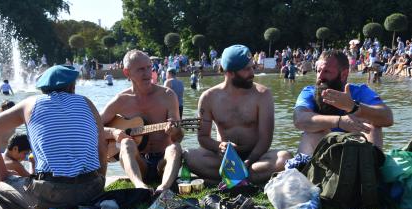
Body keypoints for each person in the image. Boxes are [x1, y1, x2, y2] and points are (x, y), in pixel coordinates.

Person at [0, 65, 107, 209]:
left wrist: (3, 174)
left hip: (52, 193)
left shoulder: (30, 103)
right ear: (72, 86)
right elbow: (102, 146)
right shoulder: (87, 103)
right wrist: (100, 182)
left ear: (43, 89)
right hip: (92, 188)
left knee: (2, 188)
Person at [185, 44, 291, 184]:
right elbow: (203, 137)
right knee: (188, 155)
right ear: (230, 72)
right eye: (247, 69)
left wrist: (249, 161)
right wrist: (219, 146)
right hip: (223, 159)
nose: (252, 73)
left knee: (285, 158)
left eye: (252, 67)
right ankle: (243, 178)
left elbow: (265, 139)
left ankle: (230, 178)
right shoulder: (208, 97)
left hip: (256, 158)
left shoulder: (262, 94)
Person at [101, 50, 183, 195]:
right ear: (127, 73)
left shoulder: (167, 95)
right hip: (139, 162)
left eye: (149, 67)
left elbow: (179, 137)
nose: (147, 73)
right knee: (126, 143)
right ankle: (140, 187)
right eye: (140, 69)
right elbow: (94, 127)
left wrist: (175, 131)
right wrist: (113, 132)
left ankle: (163, 188)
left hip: (163, 162)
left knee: (175, 147)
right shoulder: (121, 100)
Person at [293, 50, 393, 156]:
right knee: (313, 132)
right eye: (318, 71)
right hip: (319, 160)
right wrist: (339, 121)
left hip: (355, 157)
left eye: (326, 72)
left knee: (372, 126)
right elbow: (299, 119)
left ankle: (370, 167)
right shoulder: (309, 92)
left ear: (344, 74)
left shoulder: (360, 91)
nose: (320, 77)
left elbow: (387, 117)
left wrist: (353, 107)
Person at [0, 134, 34, 203]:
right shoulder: (14, 164)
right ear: (15, 148)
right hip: (4, 203)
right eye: (25, 153)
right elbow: (32, 182)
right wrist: (32, 163)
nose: (25, 157)